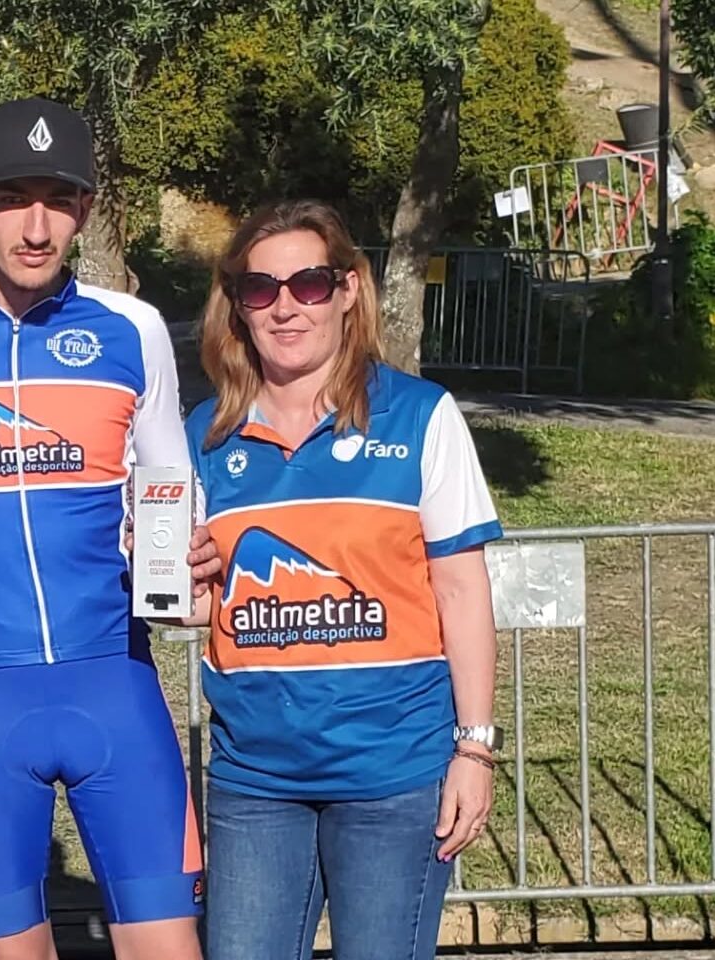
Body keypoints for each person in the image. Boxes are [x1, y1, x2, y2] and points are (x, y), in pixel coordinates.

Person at [0, 97, 217, 960]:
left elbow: (171, 491)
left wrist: (187, 562)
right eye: (13, 199)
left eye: (58, 201)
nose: (35, 226)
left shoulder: (131, 330)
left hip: (114, 678)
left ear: (85, 210)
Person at [183, 199, 502, 960]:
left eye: (309, 284)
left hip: (394, 775)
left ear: (349, 288)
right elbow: (199, 608)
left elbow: (462, 593)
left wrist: (475, 750)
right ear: (237, 304)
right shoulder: (203, 434)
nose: (285, 307)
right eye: (259, 288)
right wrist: (174, 591)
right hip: (256, 779)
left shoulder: (421, 417)